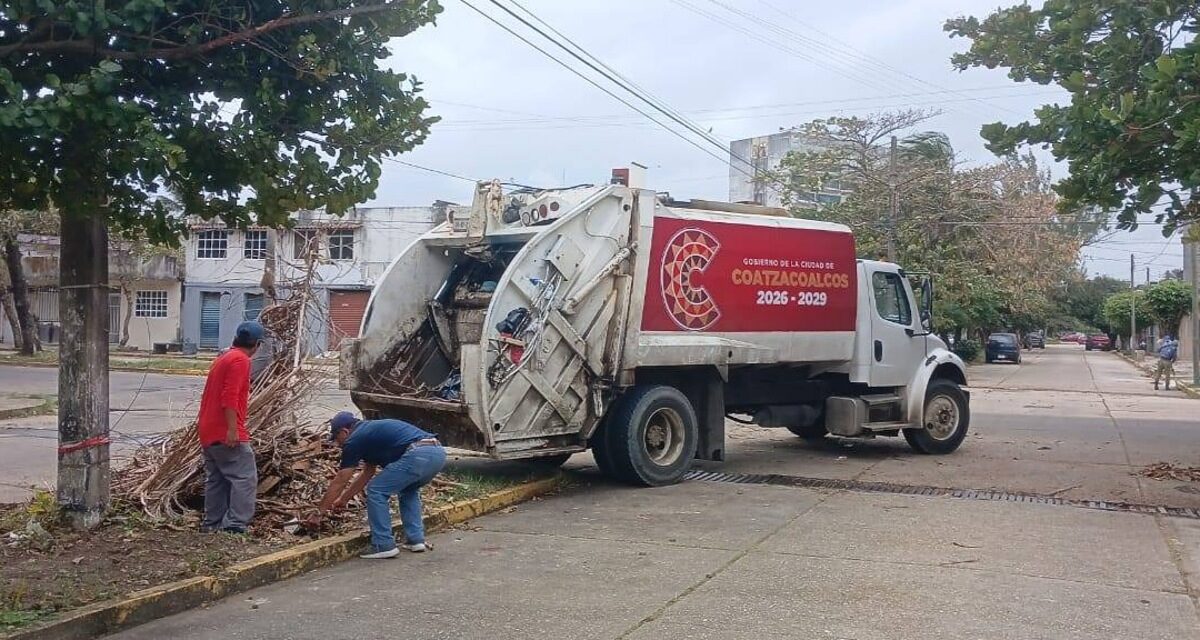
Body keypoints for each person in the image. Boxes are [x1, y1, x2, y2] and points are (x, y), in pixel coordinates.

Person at [308, 412, 446, 559]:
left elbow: (341, 479)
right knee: (408, 490)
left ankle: (383, 544)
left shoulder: (353, 440)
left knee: (376, 490)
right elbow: (367, 472)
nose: (337, 443)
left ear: (344, 431)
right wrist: (343, 500)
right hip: (437, 453)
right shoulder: (369, 433)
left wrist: (319, 512)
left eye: (336, 438)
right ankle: (416, 540)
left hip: (417, 454)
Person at [197, 321, 264, 533]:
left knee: (216, 478)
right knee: (245, 477)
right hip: (225, 430)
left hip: (208, 430)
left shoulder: (223, 357)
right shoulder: (240, 360)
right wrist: (233, 430)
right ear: (257, 344)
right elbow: (230, 397)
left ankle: (212, 523)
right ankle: (235, 526)